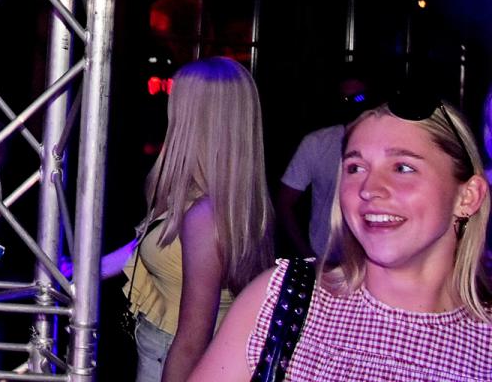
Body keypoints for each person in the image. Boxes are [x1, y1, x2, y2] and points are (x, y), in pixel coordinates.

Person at [190, 96, 492, 381]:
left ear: (467, 197)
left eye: (403, 168)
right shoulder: (283, 300)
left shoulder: (483, 345)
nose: (369, 188)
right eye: (355, 168)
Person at [123, 57, 274, 382]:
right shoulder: (210, 194)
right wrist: (88, 268)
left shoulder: (206, 216)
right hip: (166, 347)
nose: (169, 109)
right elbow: (159, 247)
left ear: (198, 117)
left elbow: (192, 341)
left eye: (178, 101)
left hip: (173, 358)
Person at [276, 72, 370, 258]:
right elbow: (284, 203)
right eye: (345, 99)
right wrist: (307, 255)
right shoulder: (317, 143)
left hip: (371, 258)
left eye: (359, 98)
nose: (353, 104)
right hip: (326, 258)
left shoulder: (386, 143)